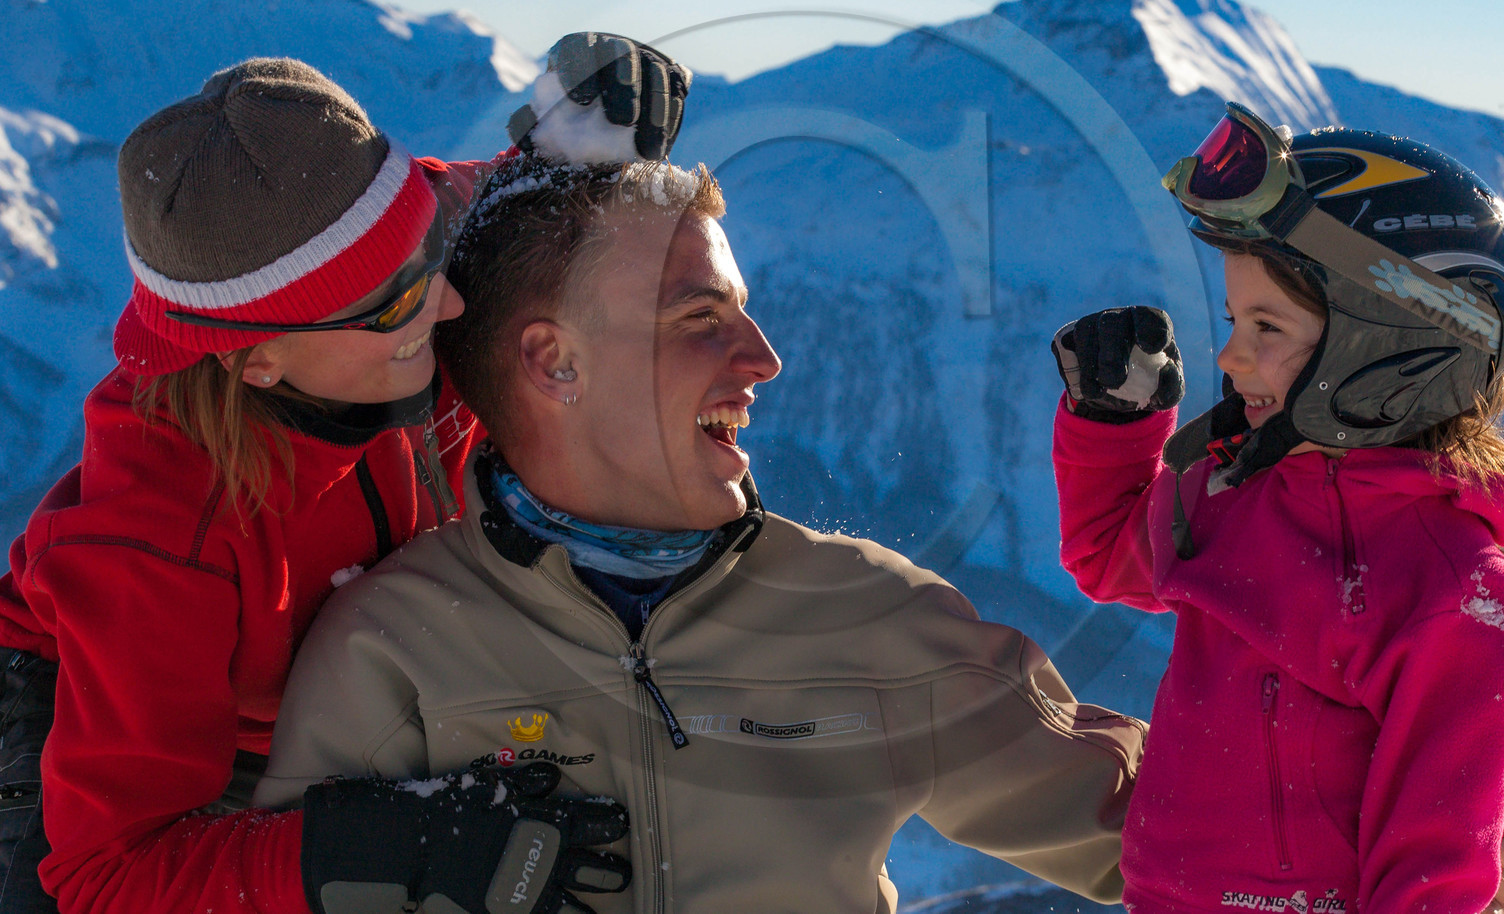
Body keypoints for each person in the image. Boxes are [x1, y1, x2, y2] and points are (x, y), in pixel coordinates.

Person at [253, 147, 1148, 912]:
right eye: (699, 318)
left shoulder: (869, 614)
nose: (764, 358)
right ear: (555, 361)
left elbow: (1174, 841)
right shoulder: (391, 649)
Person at [0, 36, 687, 914]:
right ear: (257, 361)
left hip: (343, 656)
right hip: (103, 714)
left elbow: (476, 201)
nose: (452, 302)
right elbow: (110, 872)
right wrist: (389, 841)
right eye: (400, 303)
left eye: (432, 253)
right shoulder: (163, 538)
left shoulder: (381, 260)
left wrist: (586, 133)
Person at [1050, 103, 1504, 913]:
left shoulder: (1457, 597)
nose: (1228, 355)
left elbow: (1434, 870)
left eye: (1266, 325)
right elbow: (1108, 559)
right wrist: (1117, 426)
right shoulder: (1234, 493)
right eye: (1233, 320)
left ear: (1389, 349)